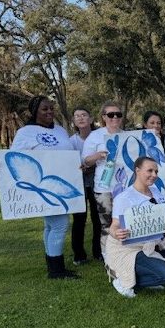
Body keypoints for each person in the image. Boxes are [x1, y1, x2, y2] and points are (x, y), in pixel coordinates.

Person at [0, 96, 79, 279]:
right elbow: (13, 158)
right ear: (35, 111)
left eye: (51, 108)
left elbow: (69, 155)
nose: (49, 112)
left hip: (60, 183)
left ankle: (51, 261)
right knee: (60, 224)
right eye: (45, 109)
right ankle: (56, 269)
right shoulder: (26, 132)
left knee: (50, 225)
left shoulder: (60, 130)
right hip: (42, 187)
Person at [107, 157, 165, 298]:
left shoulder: (156, 193)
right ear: (137, 171)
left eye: (156, 171)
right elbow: (114, 226)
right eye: (149, 171)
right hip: (130, 247)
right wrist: (116, 233)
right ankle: (125, 282)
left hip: (153, 242)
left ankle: (151, 273)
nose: (154, 175)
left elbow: (164, 223)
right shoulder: (124, 198)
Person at [82, 101, 124, 259]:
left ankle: (123, 253)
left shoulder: (125, 135)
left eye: (118, 114)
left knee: (123, 222)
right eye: (111, 114)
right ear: (103, 117)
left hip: (123, 187)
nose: (115, 117)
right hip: (104, 187)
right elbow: (85, 161)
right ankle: (107, 255)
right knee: (106, 223)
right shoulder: (95, 136)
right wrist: (98, 155)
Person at [69, 107, 102, 265]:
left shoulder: (100, 137)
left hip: (98, 183)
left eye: (84, 115)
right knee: (79, 219)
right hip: (78, 185)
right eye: (77, 116)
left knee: (98, 218)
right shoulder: (71, 141)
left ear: (90, 119)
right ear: (74, 121)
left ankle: (99, 251)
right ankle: (79, 254)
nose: (81, 118)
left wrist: (92, 166)